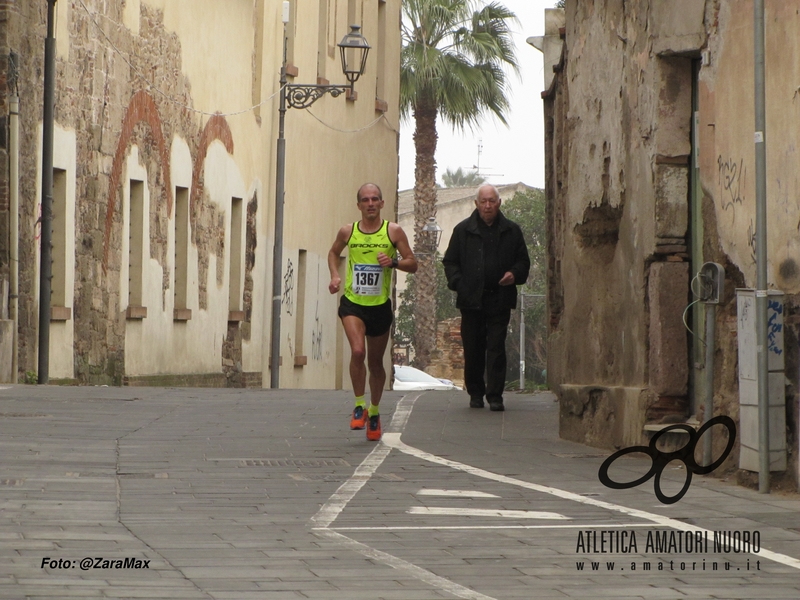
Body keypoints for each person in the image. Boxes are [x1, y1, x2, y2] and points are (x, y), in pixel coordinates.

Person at [328, 183, 417, 440]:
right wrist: (335, 276)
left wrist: (395, 263)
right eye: (365, 200)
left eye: (374, 199)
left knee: (376, 363)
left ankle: (374, 411)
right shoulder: (348, 231)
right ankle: (359, 405)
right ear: (358, 205)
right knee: (358, 351)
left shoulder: (393, 231)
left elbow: (414, 263)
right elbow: (333, 253)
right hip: (353, 303)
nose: (370, 203)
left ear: (381, 203)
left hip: (379, 306)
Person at [443, 184, 530, 412]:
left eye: (492, 201)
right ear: (476, 204)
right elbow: (450, 262)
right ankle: (475, 392)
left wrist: (514, 274)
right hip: (471, 300)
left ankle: (495, 396)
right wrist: (459, 284)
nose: (488, 206)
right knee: (473, 347)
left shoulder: (512, 231)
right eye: (484, 201)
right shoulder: (463, 231)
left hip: (500, 299)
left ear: (499, 203)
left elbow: (523, 262)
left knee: (496, 347)